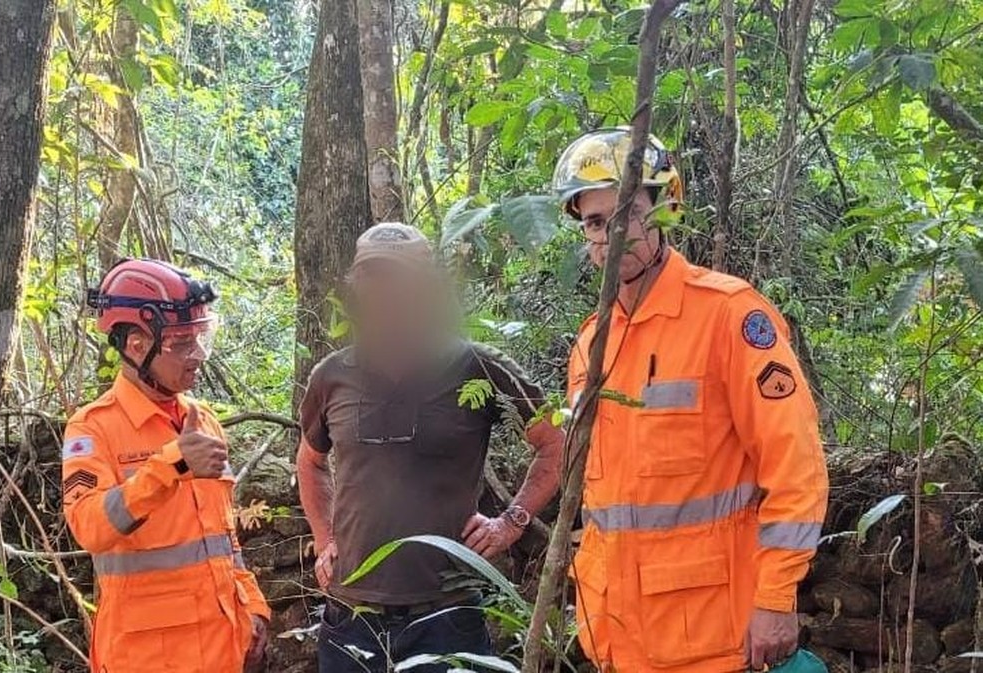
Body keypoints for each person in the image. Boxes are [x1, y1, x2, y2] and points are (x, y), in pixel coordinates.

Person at [553, 127, 829, 673]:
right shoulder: (591, 344)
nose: (611, 236)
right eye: (594, 221)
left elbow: (796, 465)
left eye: (628, 213)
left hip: (711, 633)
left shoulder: (728, 316)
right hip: (617, 636)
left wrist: (774, 597)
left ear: (664, 211)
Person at [296, 222, 566, 673]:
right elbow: (310, 463)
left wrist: (511, 523)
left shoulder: (476, 365)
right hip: (351, 617)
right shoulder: (333, 375)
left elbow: (556, 444)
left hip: (447, 614)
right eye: (374, 280)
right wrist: (325, 539)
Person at [61, 258, 270, 673]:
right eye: (181, 343)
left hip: (224, 647)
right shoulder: (94, 427)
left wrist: (253, 605)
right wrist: (172, 465)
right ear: (137, 344)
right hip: (147, 657)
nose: (198, 356)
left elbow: (222, 538)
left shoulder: (203, 419)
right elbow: (91, 527)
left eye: (201, 337)